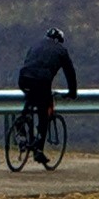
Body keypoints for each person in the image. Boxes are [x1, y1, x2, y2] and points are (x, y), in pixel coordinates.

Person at [18, 28, 78, 164]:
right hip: (42, 81)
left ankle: (22, 122)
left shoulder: (35, 45)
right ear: (59, 40)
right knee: (43, 113)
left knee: (31, 95)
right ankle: (38, 150)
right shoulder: (61, 51)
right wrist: (72, 92)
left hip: (24, 78)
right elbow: (70, 73)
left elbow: (28, 61)